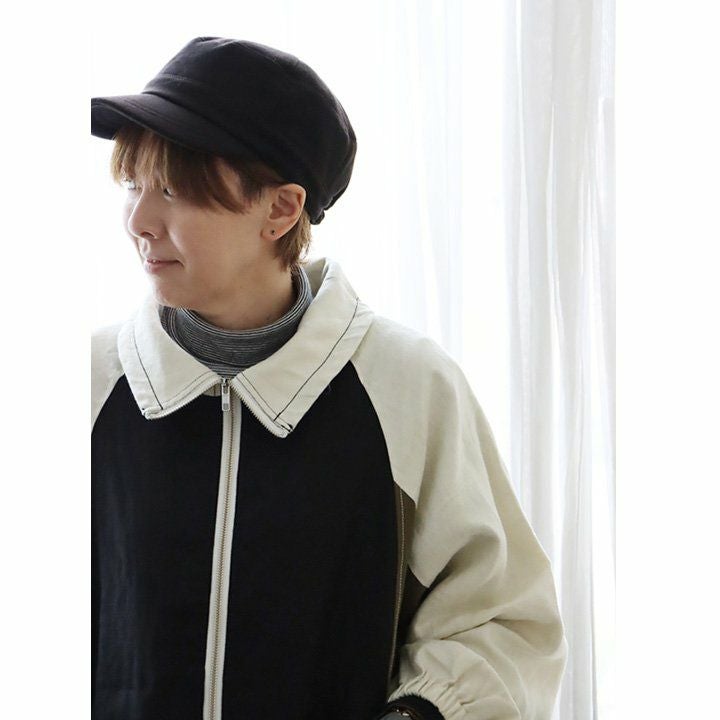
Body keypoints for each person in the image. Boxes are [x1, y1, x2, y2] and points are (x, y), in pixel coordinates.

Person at [91, 37, 568, 720]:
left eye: (172, 190)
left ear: (281, 209)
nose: (140, 221)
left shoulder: (408, 388)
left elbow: (502, 621)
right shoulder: (87, 383)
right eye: (134, 185)